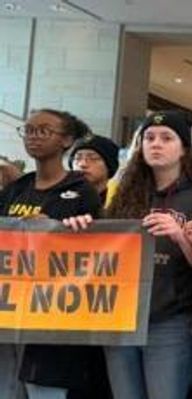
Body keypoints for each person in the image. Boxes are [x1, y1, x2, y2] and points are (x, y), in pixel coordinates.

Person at [65, 110, 192, 399]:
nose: (156, 144)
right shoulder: (126, 192)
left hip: (172, 319)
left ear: (184, 149)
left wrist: (179, 236)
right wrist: (83, 227)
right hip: (123, 313)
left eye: (167, 138)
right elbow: (107, 249)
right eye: (149, 138)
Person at [3, 109, 105, 399]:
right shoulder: (16, 189)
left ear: (66, 140)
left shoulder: (81, 191)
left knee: (44, 390)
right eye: (30, 130)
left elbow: (94, 251)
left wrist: (54, 230)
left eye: (44, 131)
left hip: (52, 313)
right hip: (10, 310)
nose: (34, 137)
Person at [70, 133, 120, 202]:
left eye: (93, 158)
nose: (82, 164)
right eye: (77, 158)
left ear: (109, 166)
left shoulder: (121, 201)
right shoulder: (60, 199)